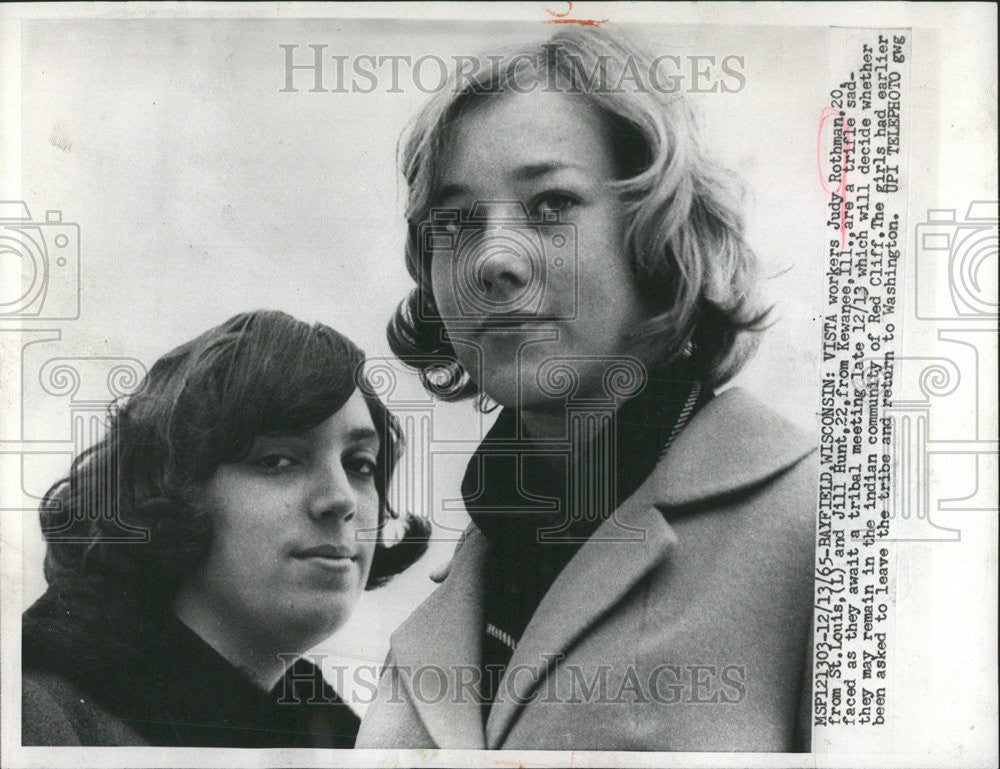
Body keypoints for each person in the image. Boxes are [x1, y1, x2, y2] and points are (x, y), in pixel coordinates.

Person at [358, 26, 816, 751]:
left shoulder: (822, 527)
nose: (494, 261)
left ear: (657, 234)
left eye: (550, 206)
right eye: (457, 220)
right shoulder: (444, 602)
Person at [21, 310, 429, 747]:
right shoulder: (38, 717)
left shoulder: (357, 744)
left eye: (360, 465)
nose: (342, 499)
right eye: (276, 460)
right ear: (168, 490)